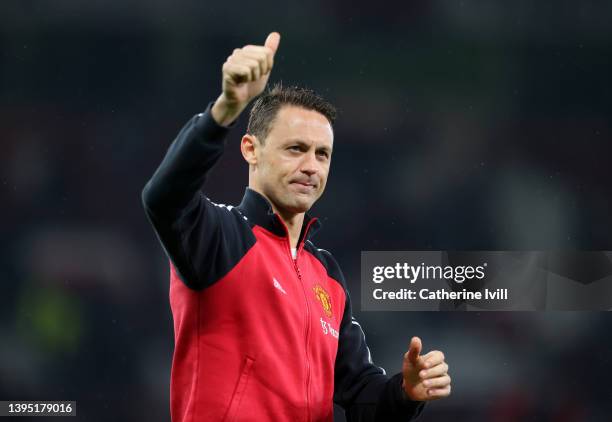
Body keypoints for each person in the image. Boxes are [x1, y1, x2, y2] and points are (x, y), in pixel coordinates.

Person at [142, 31, 451, 422]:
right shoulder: (222, 236)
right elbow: (163, 197)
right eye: (295, 149)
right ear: (251, 149)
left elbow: (362, 398)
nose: (311, 166)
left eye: (322, 154)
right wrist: (224, 110)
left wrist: (405, 393)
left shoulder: (327, 276)